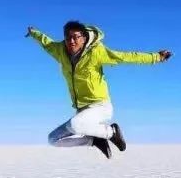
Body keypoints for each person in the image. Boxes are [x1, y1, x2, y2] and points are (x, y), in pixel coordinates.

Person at [25, 21, 172, 159]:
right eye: (68, 37)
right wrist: (33, 33)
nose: (72, 41)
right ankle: (93, 141)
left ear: (84, 38)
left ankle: (111, 132)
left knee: (75, 125)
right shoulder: (60, 51)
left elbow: (125, 57)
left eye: (76, 37)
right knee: (53, 139)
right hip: (82, 111)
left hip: (100, 106)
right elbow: (46, 43)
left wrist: (156, 57)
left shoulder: (96, 52)